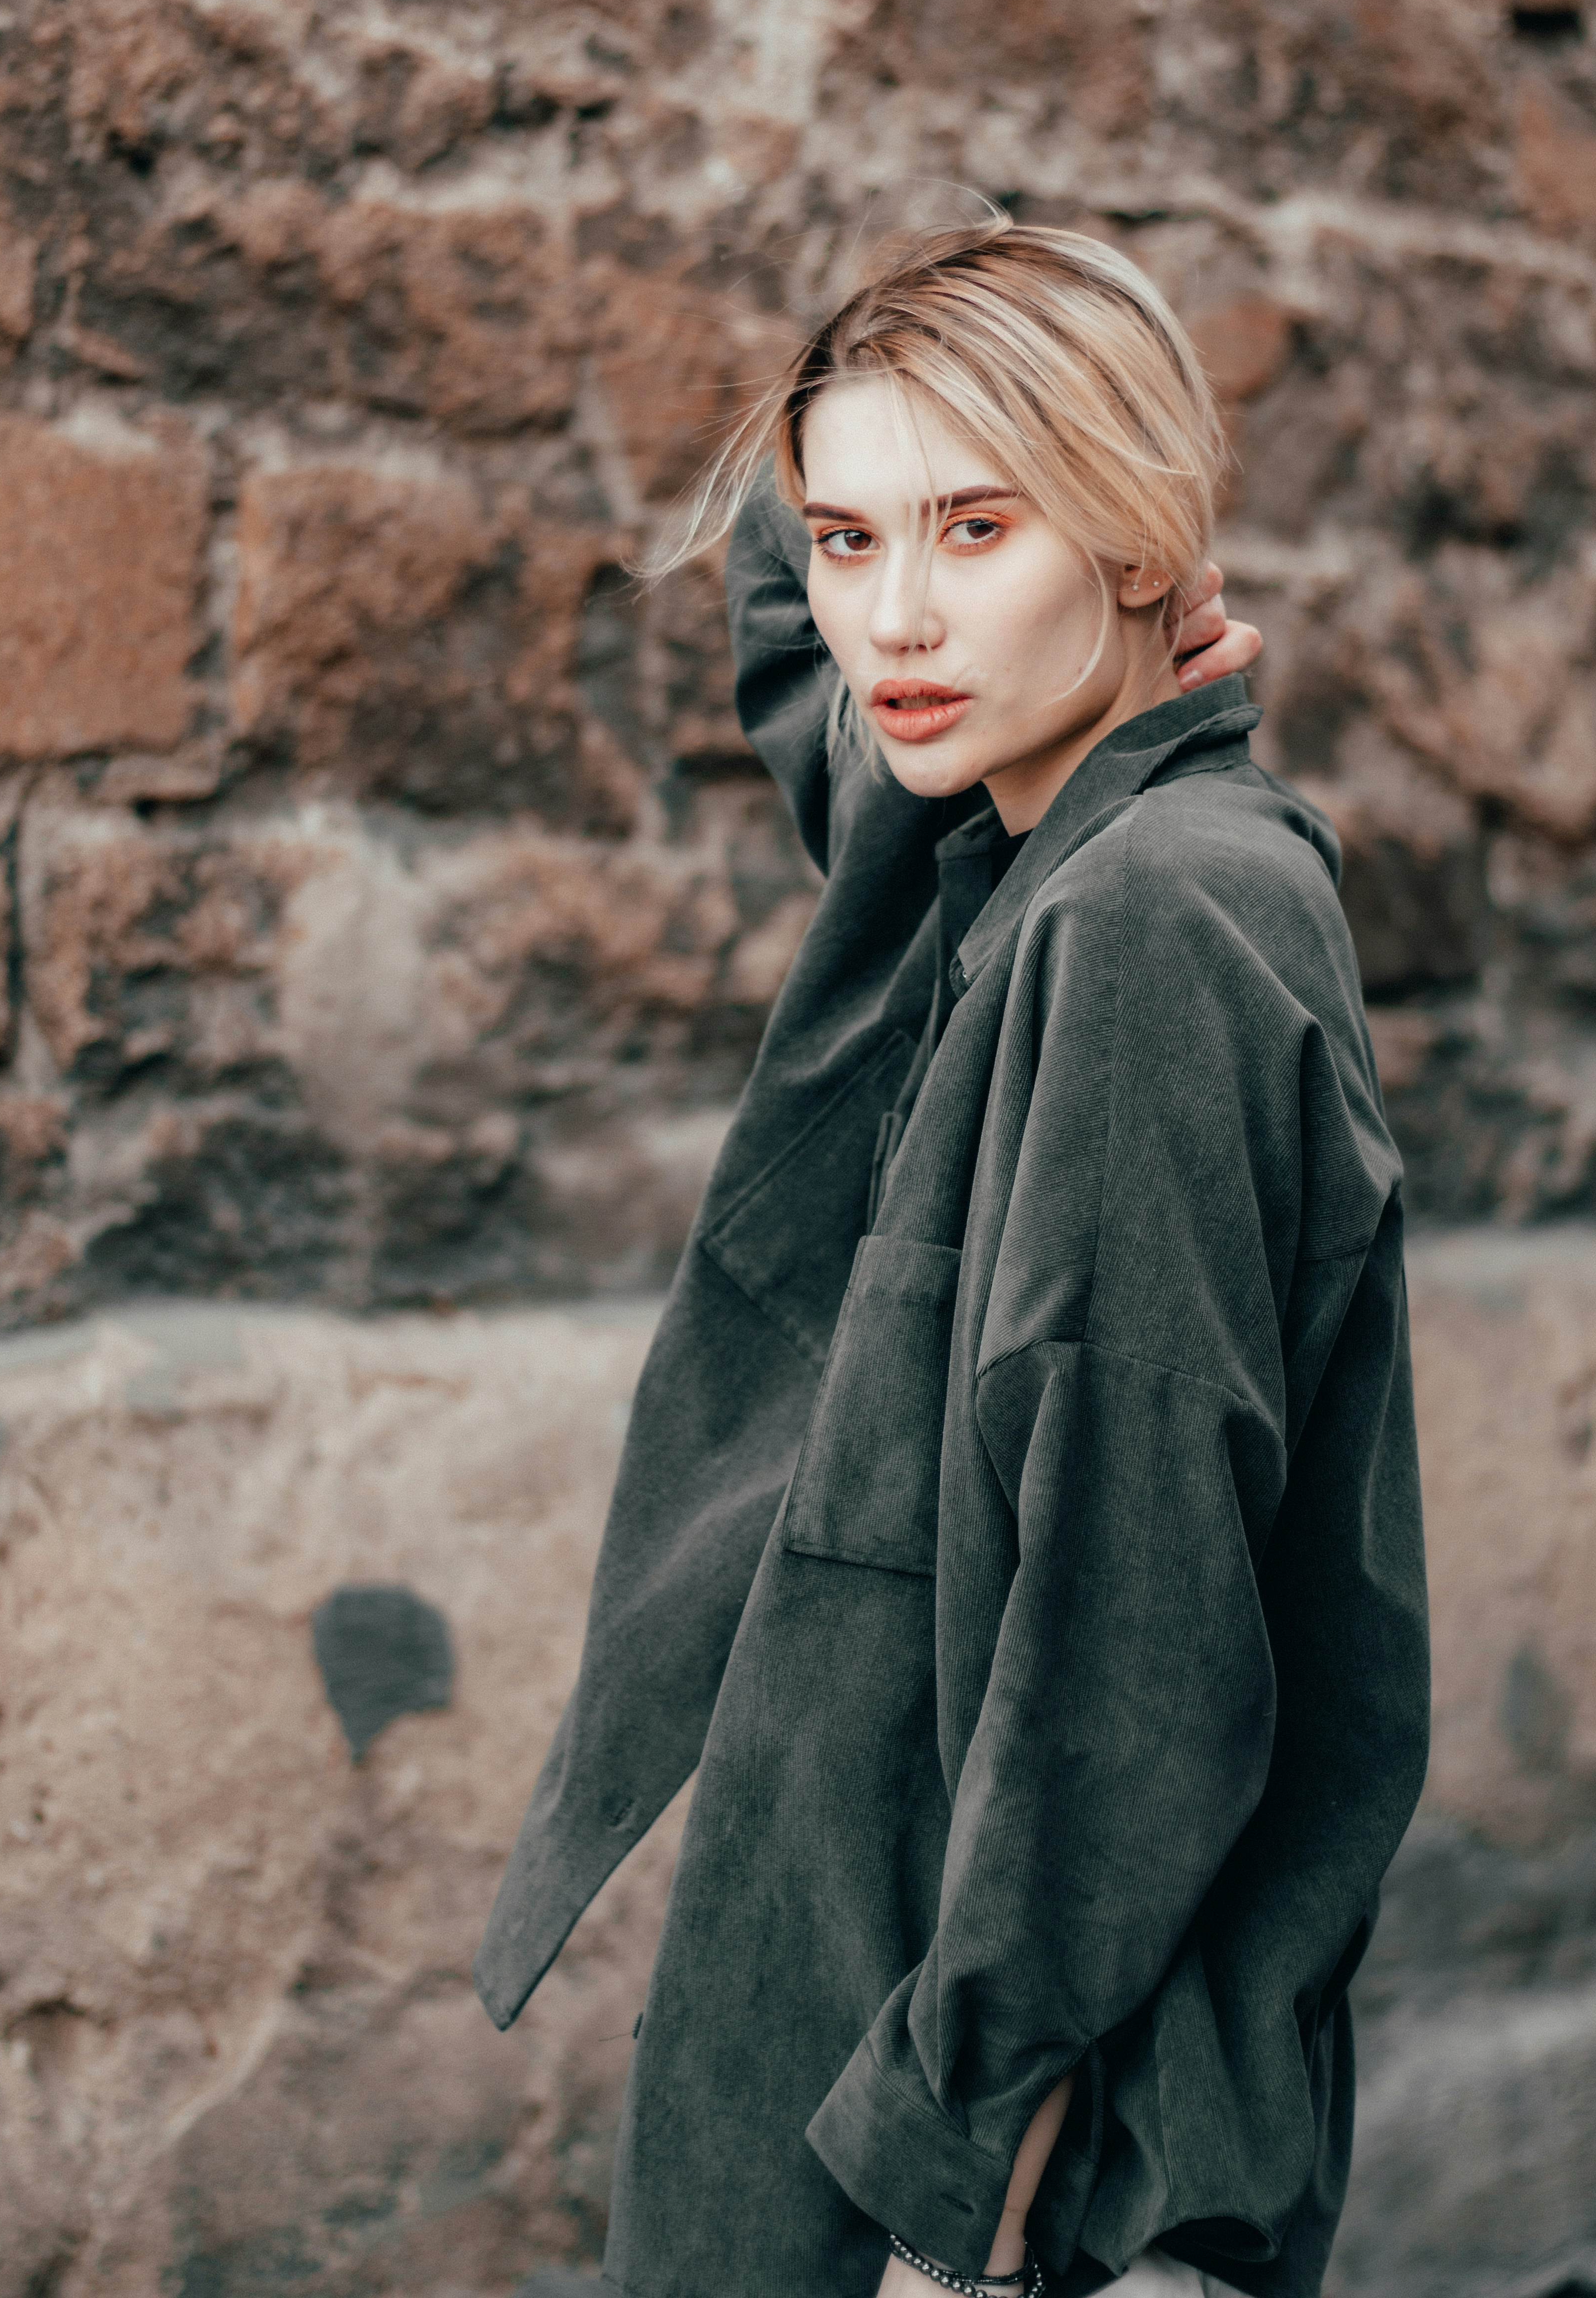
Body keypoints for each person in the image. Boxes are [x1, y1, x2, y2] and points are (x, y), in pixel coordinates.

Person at [476, 222, 1432, 2298]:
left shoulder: (1152, 923)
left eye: (977, 528)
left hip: (988, 2169)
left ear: (1138, 530)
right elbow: (798, 636)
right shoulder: (992, 855)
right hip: (865, 2039)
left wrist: (960, 2173)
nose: (887, 619)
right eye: (846, 537)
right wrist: (937, 337)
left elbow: (1132, 1646)